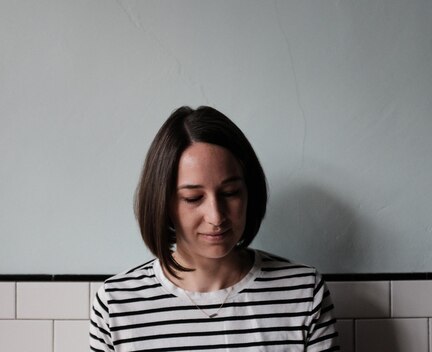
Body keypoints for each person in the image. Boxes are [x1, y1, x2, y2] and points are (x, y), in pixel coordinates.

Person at [90, 106, 339, 351]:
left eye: (230, 193)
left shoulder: (304, 293)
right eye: (193, 198)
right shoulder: (116, 304)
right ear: (162, 202)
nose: (216, 216)